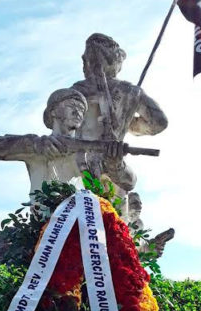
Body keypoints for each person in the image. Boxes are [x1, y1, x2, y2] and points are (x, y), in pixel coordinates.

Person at [72, 33, 168, 219]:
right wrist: (130, 124)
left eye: (85, 58)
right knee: (115, 228)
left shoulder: (77, 90)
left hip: (77, 169)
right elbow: (159, 122)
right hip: (113, 166)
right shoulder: (131, 91)